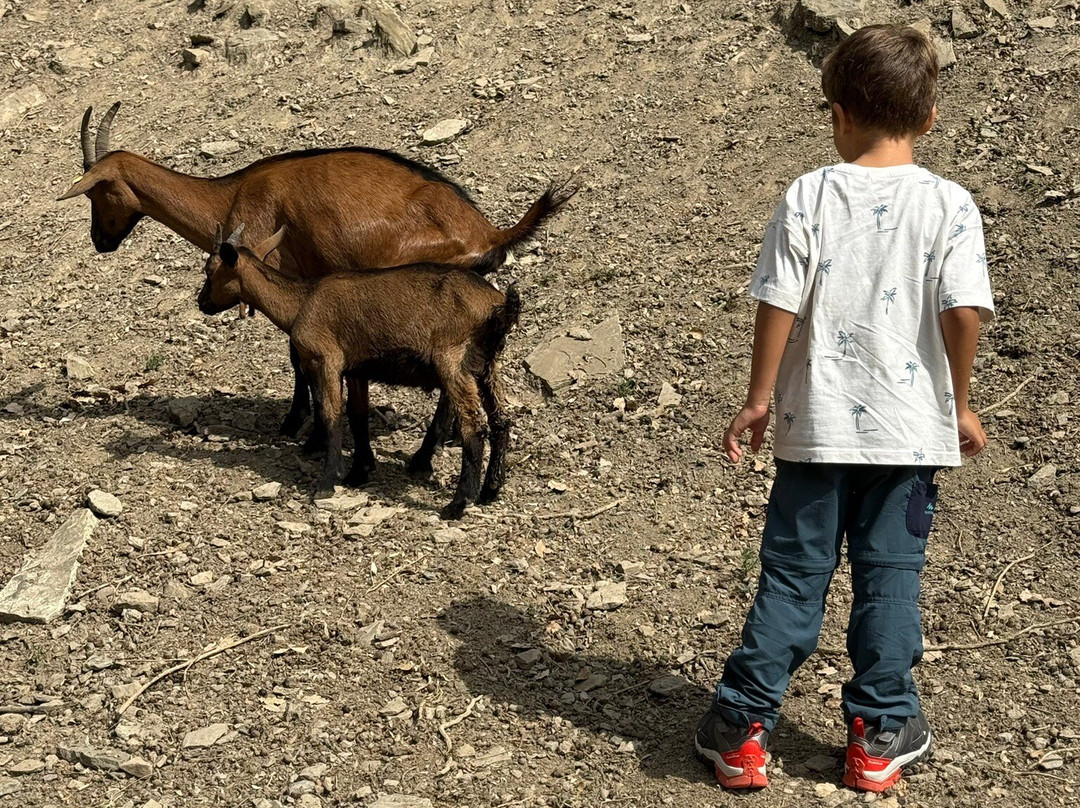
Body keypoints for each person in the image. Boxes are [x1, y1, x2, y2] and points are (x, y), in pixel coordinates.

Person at [694, 24, 994, 793]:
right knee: (891, 581)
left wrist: (760, 398)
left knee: (793, 580)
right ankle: (880, 731)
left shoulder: (810, 193)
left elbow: (778, 303)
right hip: (909, 434)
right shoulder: (950, 205)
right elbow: (964, 311)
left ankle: (743, 727)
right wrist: (957, 402)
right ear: (929, 119)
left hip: (815, 429)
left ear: (837, 112)